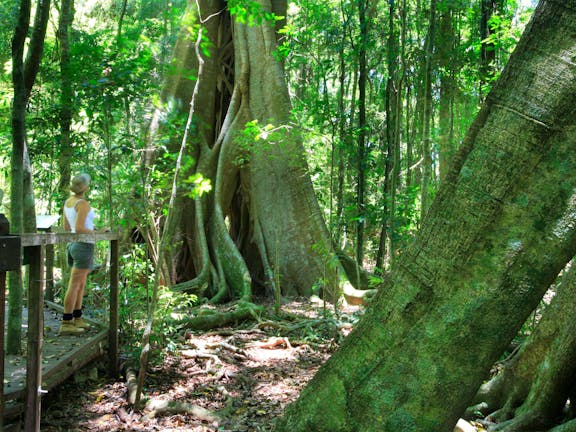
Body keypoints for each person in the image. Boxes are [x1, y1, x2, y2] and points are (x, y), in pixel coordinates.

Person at [60, 173, 106, 335]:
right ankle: (66, 322)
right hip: (83, 246)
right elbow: (79, 228)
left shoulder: (68, 202)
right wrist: (99, 231)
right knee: (75, 285)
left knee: (80, 285)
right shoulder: (83, 204)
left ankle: (77, 318)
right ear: (85, 188)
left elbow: (68, 227)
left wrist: (90, 229)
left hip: (72, 245)